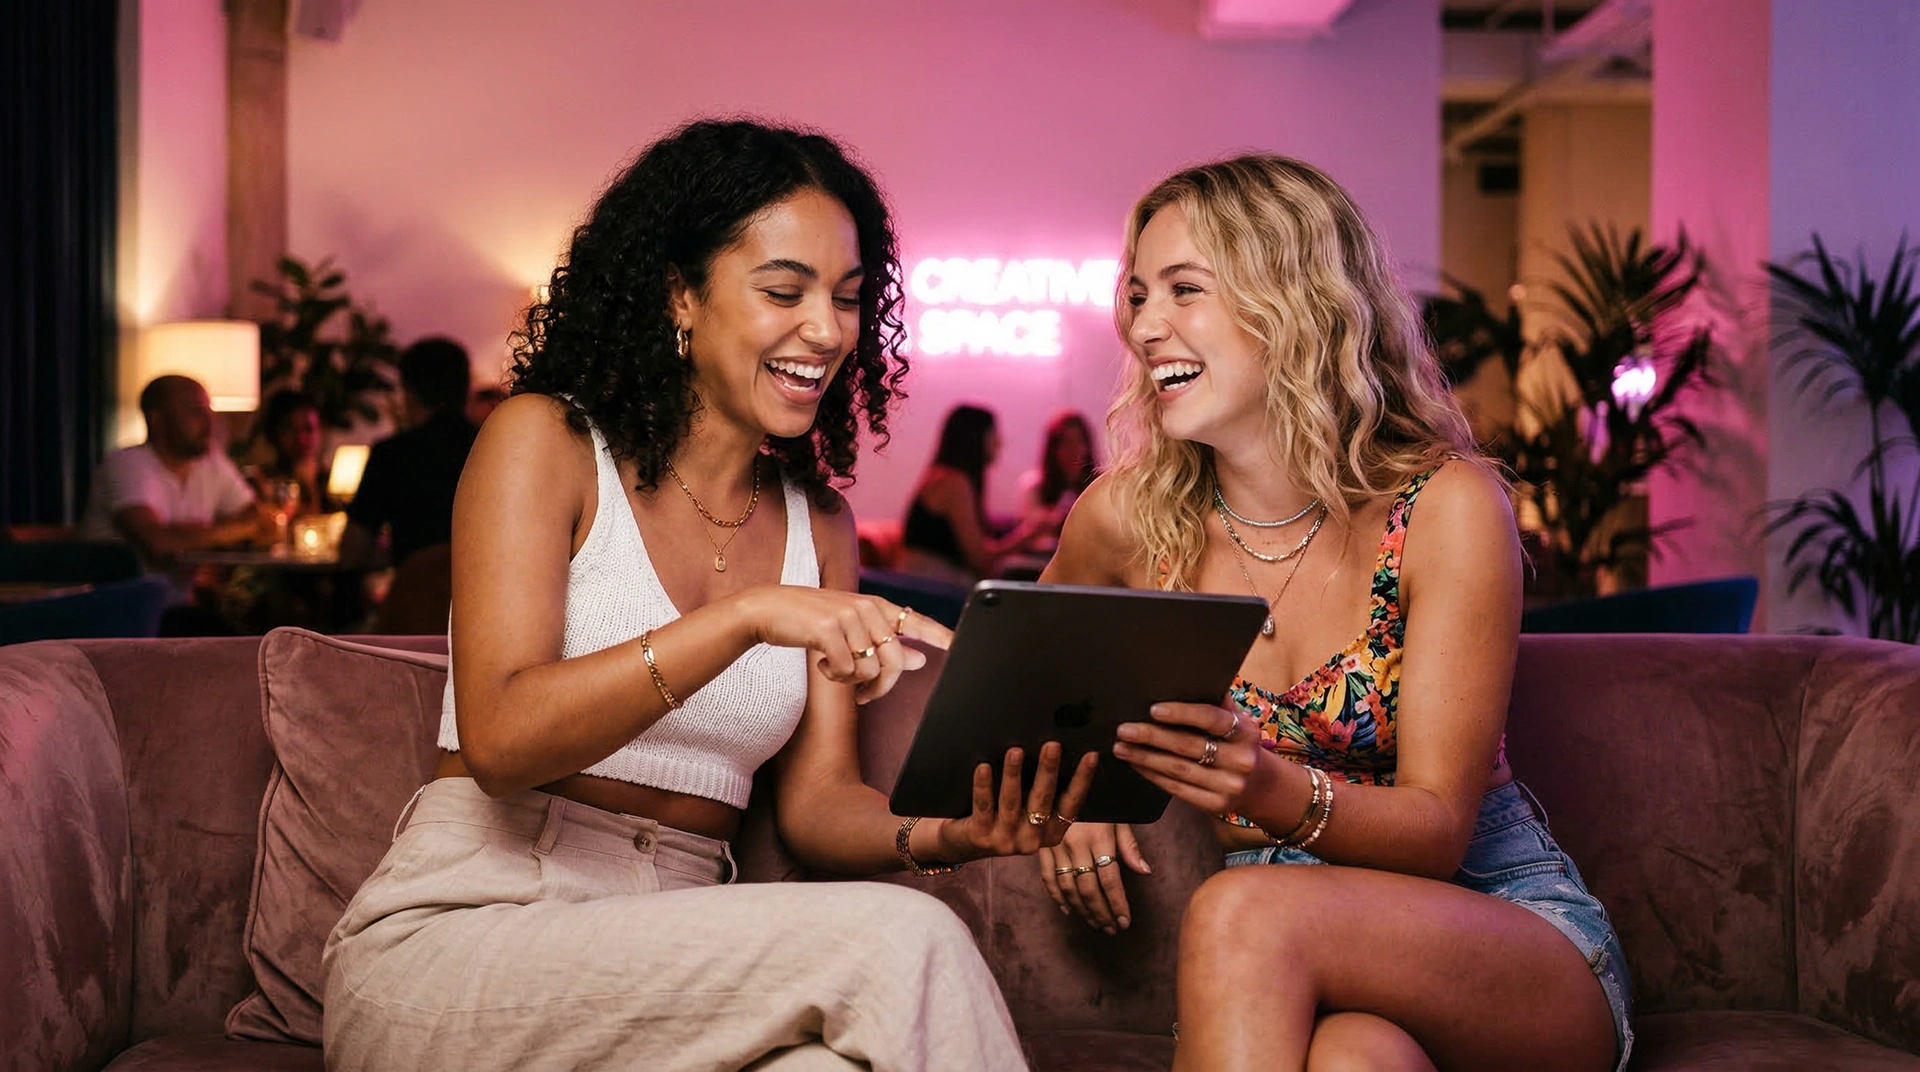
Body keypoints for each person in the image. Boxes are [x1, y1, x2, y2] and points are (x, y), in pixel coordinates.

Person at [322, 119, 1097, 1072]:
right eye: (784, 291)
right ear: (679, 296)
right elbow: (498, 740)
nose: (827, 330)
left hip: (678, 953)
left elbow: (815, 806)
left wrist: (950, 834)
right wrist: (742, 618)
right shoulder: (546, 444)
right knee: (905, 939)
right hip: (470, 939)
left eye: (850, 299)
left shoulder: (820, 527)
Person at [1036, 156, 1633, 1072]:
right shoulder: (1124, 520)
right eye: (1139, 294)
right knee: (1359, 1062)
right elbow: (1030, 674)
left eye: (1184, 290)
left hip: (1502, 933)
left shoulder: (1446, 506)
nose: (1145, 326)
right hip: (1302, 977)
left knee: (1241, 910)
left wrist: (1262, 787)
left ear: (1294, 303)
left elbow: (1436, 831)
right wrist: (1076, 795)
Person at [81, 375, 275, 588]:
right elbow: (158, 543)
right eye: (194, 411)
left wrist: (193, 533)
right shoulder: (126, 465)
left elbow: (261, 521)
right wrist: (238, 530)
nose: (209, 421)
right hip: (121, 609)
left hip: (179, 607)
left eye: (208, 410)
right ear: (157, 420)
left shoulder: (211, 463)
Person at [338, 336, 479, 568]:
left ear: (409, 392)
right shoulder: (489, 447)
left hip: (417, 594)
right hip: (484, 594)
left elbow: (353, 548)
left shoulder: (392, 454)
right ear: (465, 389)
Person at [899, 404, 1044, 585]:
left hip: (935, 581)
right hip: (932, 588)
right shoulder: (954, 483)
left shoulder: (946, 476)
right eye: (993, 435)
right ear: (975, 439)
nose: (1000, 442)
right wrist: (1028, 536)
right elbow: (980, 559)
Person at [1015, 410, 1099, 558]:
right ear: (1053, 449)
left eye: (1079, 441)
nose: (1073, 450)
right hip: (1045, 559)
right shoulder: (1034, 485)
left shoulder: (1100, 485)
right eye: (1066, 442)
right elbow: (1032, 531)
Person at [247, 389, 332, 517]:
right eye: (291, 430)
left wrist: (311, 487)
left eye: (308, 429)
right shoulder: (259, 481)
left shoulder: (333, 482)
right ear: (274, 434)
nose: (301, 439)